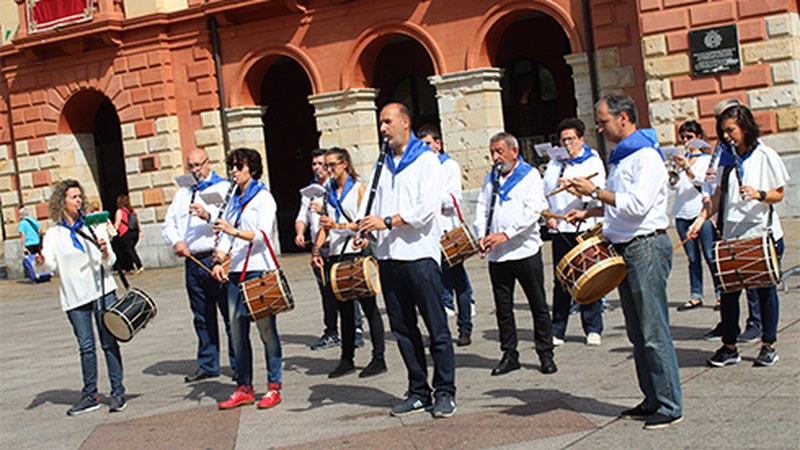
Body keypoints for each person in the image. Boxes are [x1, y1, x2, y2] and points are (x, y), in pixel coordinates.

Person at [565, 92, 683, 430]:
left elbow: (637, 205)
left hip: (645, 247)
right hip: (625, 247)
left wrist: (594, 191)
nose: (600, 128)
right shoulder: (623, 156)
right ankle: (652, 398)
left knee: (653, 330)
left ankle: (670, 404)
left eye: (603, 121)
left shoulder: (645, 156)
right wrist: (589, 210)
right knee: (637, 332)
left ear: (624, 118)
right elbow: (619, 204)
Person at [357, 103, 456, 418]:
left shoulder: (427, 161)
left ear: (405, 122)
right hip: (388, 256)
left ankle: (445, 392)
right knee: (402, 328)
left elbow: (426, 210)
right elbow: (372, 204)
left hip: (419, 256)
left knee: (436, 328)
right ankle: (418, 390)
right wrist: (365, 229)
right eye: (380, 123)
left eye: (387, 122)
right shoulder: (381, 163)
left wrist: (386, 221)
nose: (383, 128)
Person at [688, 103, 788, 368]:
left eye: (730, 130)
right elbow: (718, 196)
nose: (726, 136)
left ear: (744, 127)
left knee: (765, 291)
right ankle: (729, 346)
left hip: (760, 234)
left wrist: (760, 194)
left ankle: (769, 344)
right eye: (722, 131)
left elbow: (779, 193)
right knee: (729, 293)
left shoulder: (765, 154)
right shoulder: (727, 157)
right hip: (733, 236)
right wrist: (701, 219)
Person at [34, 180, 127, 415]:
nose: (78, 201)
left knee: (109, 342)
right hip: (75, 296)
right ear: (61, 202)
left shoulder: (93, 225)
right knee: (86, 347)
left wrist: (106, 251)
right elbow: (50, 266)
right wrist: (41, 262)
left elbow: (110, 261)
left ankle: (117, 392)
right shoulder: (54, 234)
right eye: (73, 197)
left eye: (79, 196)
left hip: (102, 290)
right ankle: (90, 395)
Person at [474, 131, 557, 377]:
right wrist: (482, 234)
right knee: (503, 307)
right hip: (498, 255)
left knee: (538, 305)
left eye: (500, 151)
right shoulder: (491, 178)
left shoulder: (529, 175)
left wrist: (506, 234)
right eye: (492, 153)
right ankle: (509, 354)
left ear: (514, 151)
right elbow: (481, 207)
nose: (495, 157)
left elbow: (532, 211)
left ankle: (545, 353)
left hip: (525, 251)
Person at [211, 148, 284, 410]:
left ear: (251, 169)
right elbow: (226, 238)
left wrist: (233, 230)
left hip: (258, 270)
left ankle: (274, 386)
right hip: (235, 272)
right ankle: (244, 387)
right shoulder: (232, 200)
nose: (233, 171)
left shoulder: (264, 198)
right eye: (231, 166)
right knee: (237, 333)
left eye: (238, 166)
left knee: (267, 332)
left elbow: (262, 234)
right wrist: (219, 260)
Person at [161, 148, 237, 383]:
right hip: (192, 260)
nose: (195, 171)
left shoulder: (224, 188)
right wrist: (177, 241)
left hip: (217, 258)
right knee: (202, 316)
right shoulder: (183, 193)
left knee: (229, 314)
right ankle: (208, 363)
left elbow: (230, 222)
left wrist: (207, 216)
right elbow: (169, 224)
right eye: (190, 166)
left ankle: (238, 363)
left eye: (198, 165)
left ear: (208, 163)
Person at [312, 147, 387, 379]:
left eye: (332, 164)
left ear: (345, 164)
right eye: (326, 165)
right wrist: (317, 249)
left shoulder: (359, 189)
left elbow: (364, 223)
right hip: (335, 253)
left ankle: (379, 357)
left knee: (368, 306)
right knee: (344, 309)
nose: (328, 170)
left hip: (356, 252)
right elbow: (325, 225)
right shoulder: (327, 192)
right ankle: (347, 359)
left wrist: (339, 227)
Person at [543, 118, 605, 346]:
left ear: (581, 139)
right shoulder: (554, 163)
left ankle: (593, 327)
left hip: (584, 225)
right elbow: (546, 190)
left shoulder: (592, 161)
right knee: (561, 279)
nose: (567, 144)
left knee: (589, 276)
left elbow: (597, 193)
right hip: (560, 227)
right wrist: (548, 215)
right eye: (563, 140)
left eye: (571, 139)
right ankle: (558, 328)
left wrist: (575, 188)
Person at [418, 124, 475, 347]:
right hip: (428, 235)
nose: (425, 149)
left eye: (428, 144)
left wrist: (432, 201)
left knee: (458, 282)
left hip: (447, 232)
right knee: (433, 286)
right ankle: (438, 331)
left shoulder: (448, 165)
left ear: (438, 144)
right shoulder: (420, 168)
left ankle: (465, 327)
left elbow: (453, 198)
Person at [669, 121, 721, 312]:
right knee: (692, 258)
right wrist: (674, 173)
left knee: (709, 254)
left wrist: (686, 168)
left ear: (698, 137)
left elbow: (702, 182)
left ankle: (720, 293)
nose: (685, 141)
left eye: (689, 137)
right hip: (682, 212)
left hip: (700, 212)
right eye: (682, 137)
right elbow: (674, 184)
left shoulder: (706, 160)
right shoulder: (682, 159)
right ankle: (696, 295)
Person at [113, 194, 144, 274]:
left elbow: (117, 223)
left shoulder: (120, 211)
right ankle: (128, 267)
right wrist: (140, 232)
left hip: (125, 233)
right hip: (134, 232)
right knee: (127, 249)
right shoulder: (132, 210)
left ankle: (139, 266)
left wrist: (112, 232)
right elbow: (138, 222)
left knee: (128, 250)